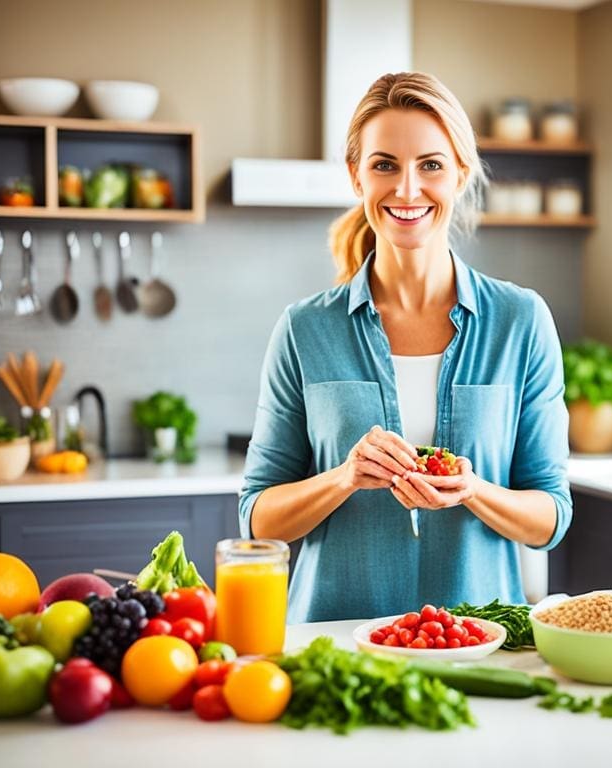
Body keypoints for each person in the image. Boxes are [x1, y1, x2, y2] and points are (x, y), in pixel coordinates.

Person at [240, 72, 571, 623]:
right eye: (384, 164)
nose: (408, 189)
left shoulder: (521, 321)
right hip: (335, 647)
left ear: (461, 174)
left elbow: (551, 517)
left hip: (480, 645)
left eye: (431, 165)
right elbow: (256, 518)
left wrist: (473, 489)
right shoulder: (304, 329)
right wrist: (343, 476)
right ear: (356, 176)